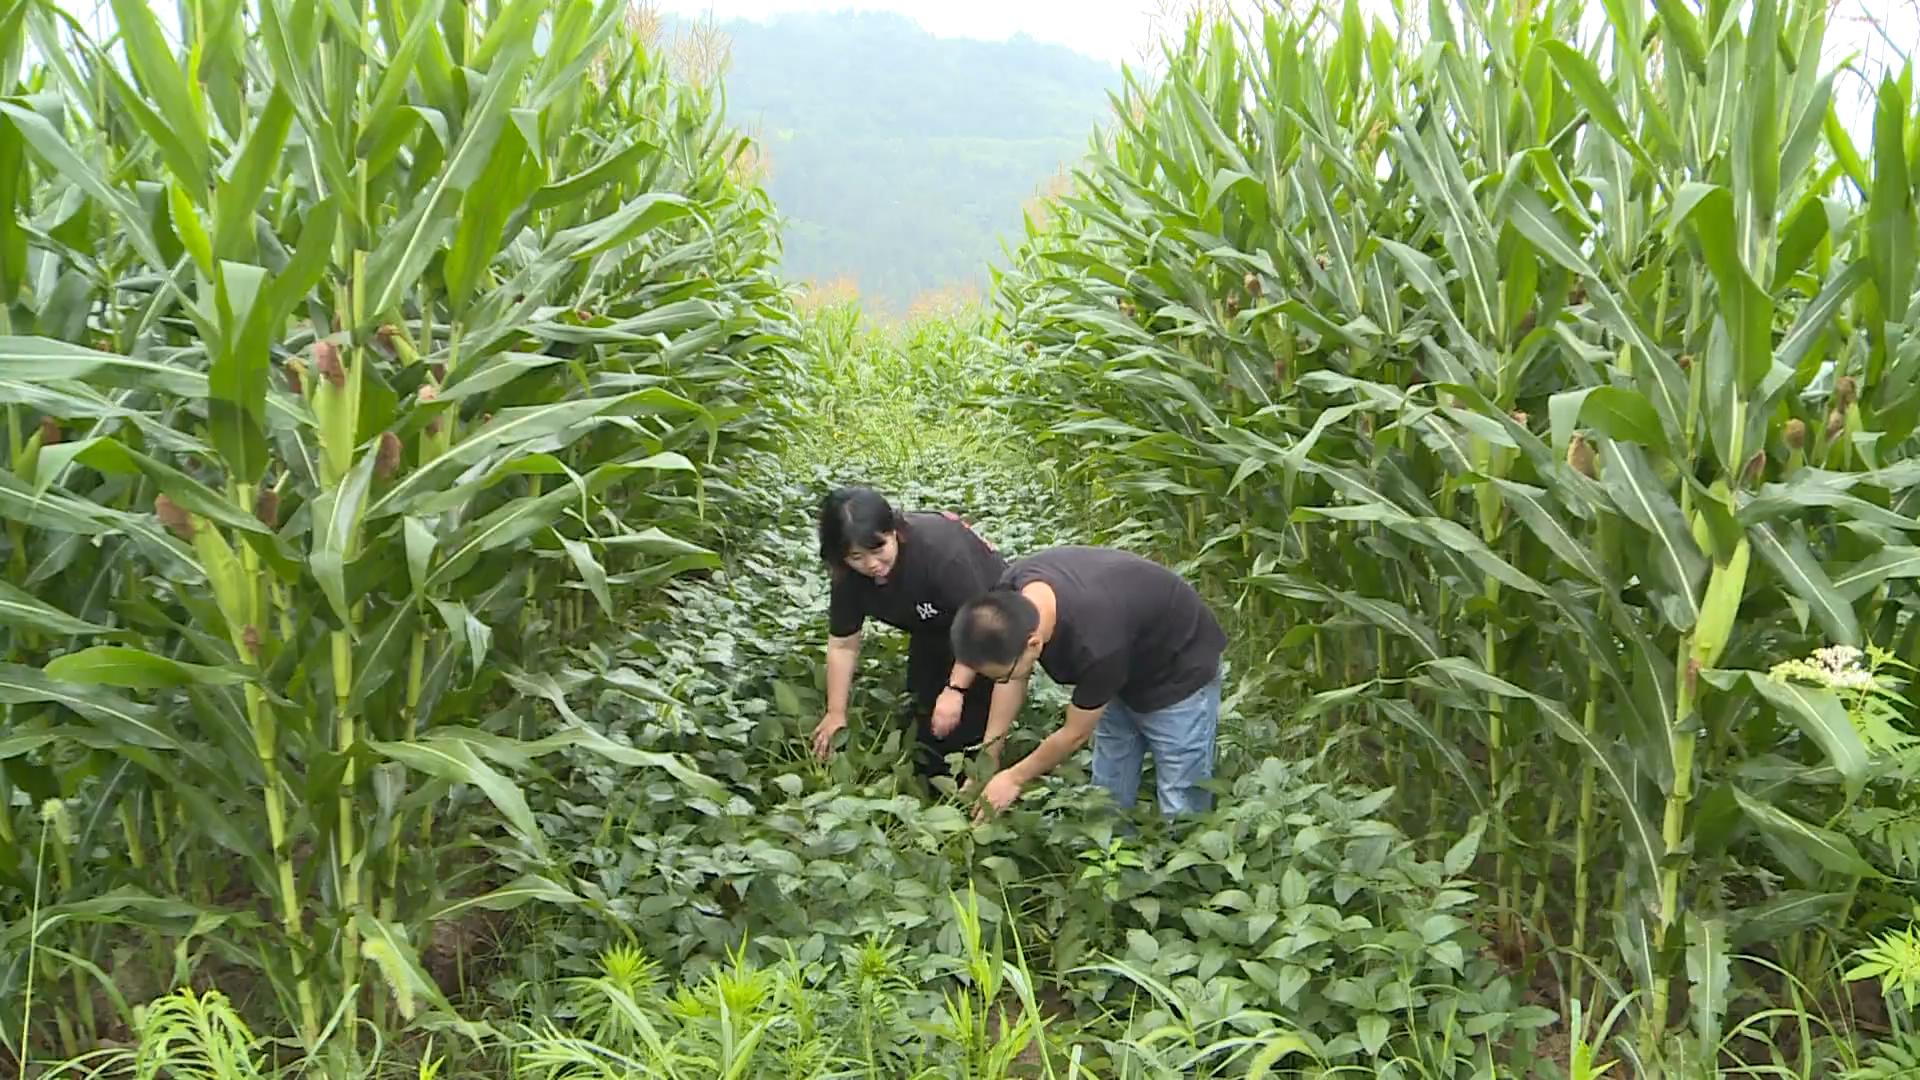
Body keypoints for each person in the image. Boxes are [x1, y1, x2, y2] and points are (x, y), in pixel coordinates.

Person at [941, 545, 1226, 818]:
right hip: (1124, 656)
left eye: (1003, 674)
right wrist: (989, 757)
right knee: (1109, 783)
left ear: (1034, 644)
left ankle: (1188, 860)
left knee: (1182, 793)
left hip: (1179, 668)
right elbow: (1012, 679)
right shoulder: (1009, 598)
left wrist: (1014, 778)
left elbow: (1075, 733)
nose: (1001, 681)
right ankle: (1112, 857)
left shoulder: (1096, 644)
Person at [813, 485, 1015, 780]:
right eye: (855, 557)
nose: (871, 564)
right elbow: (843, 645)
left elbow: (977, 625)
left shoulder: (941, 554)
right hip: (931, 624)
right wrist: (835, 712)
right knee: (926, 720)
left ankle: (984, 772)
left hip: (989, 618)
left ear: (895, 530)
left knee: (967, 724)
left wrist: (955, 690)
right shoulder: (849, 578)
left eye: (878, 548)